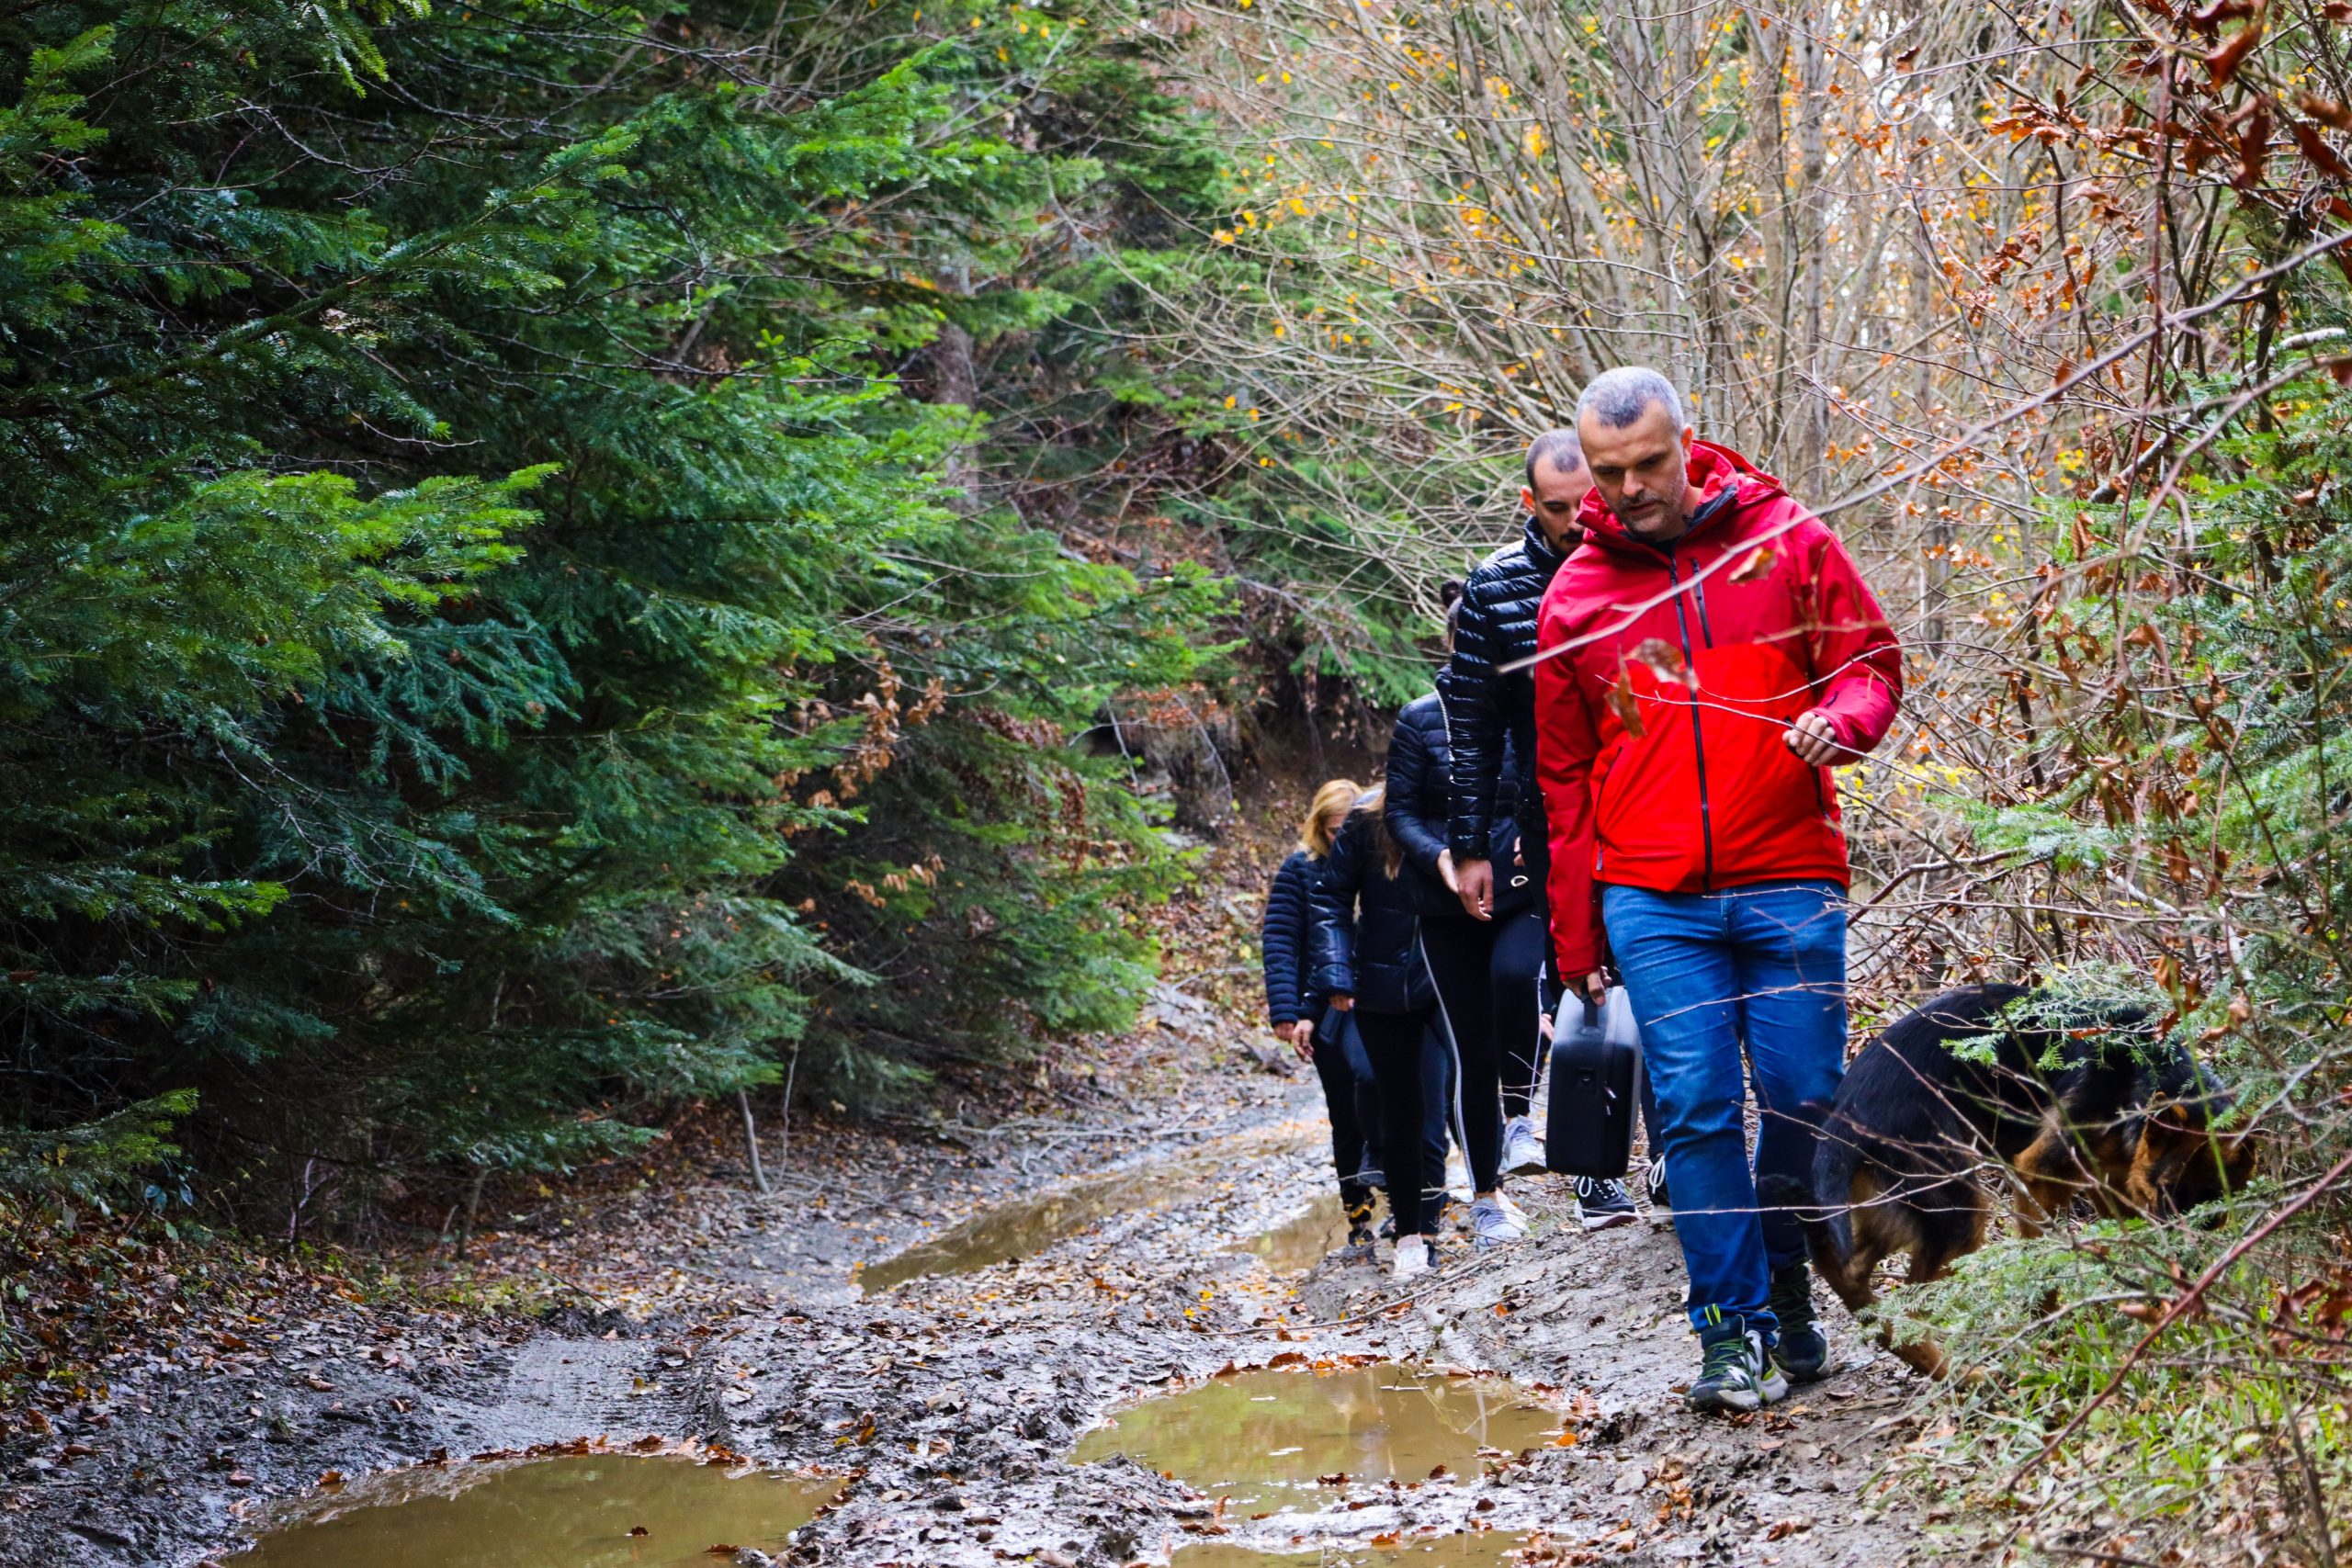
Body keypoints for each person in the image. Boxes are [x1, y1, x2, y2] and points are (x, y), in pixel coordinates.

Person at [1532, 367, 1903, 1414]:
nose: (1631, 488)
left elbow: (1871, 663)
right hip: (1652, 898)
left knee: (1804, 1100)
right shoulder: (1576, 598)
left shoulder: (1784, 541)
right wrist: (1575, 936)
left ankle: (1786, 1276)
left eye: (1650, 463)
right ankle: (1729, 1328)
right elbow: (1563, 780)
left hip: (1789, 873)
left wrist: (1843, 722)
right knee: (1694, 1110)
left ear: (1687, 444)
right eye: (1610, 472)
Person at [1443, 429, 1644, 1227]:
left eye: (1583, 501)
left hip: (1647, 805)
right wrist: (1468, 847)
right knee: (1582, 982)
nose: (1573, 519)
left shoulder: (1642, 560)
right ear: (1530, 501)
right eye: (1555, 507)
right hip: (1550, 820)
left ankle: (1669, 1156)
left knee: (1657, 978)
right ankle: (1594, 1171)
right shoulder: (1495, 588)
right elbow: (1471, 728)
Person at [1382, 683, 1531, 1250]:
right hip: (1445, 905)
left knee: (1517, 976)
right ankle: (1487, 1196)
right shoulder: (1420, 718)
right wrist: (1438, 854)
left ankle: (1522, 1116)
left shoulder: (1531, 704)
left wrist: (1536, 834)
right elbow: (1400, 812)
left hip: (1523, 891)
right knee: (1473, 1052)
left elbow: (1558, 784)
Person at [1310, 786, 1449, 1280]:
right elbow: (1315, 914)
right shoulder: (1361, 826)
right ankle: (1396, 1228)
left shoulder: (1468, 804)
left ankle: (1448, 1217)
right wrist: (1328, 981)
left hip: (1446, 981)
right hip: (1374, 988)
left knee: (1442, 1107)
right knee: (1391, 1105)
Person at [1262, 780, 1383, 1258]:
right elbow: (1281, 940)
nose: (1341, 839)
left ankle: (1411, 1200)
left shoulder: (1379, 861)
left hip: (1381, 996)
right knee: (1345, 1115)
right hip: (1323, 1008)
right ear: (1318, 828)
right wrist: (1287, 1011)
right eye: (1333, 831)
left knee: (1388, 1090)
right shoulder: (1300, 869)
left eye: (1348, 828)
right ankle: (1358, 1218)